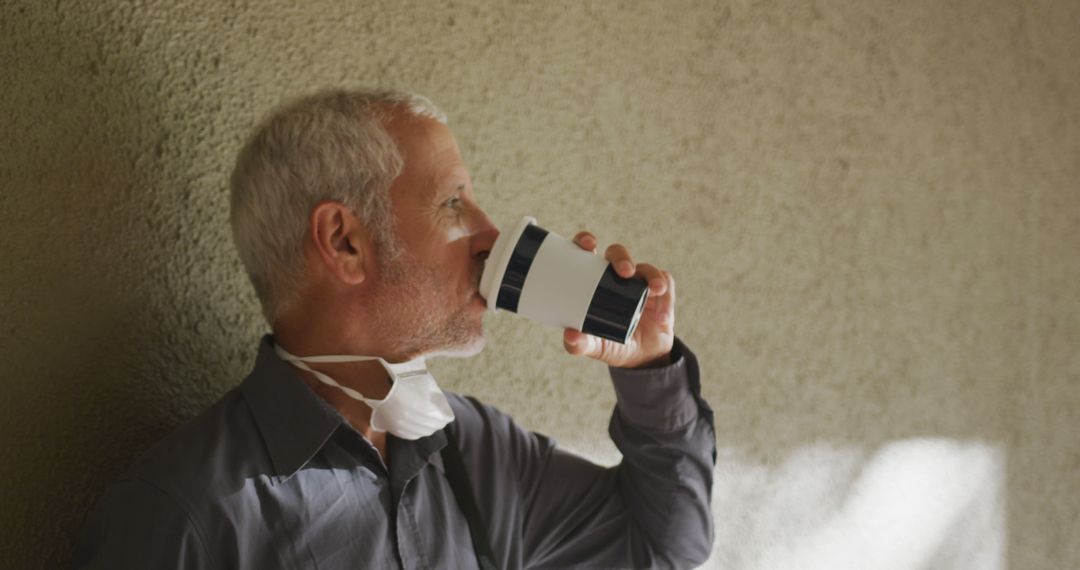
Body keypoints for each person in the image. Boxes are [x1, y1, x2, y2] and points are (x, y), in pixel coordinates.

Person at [73, 89, 716, 569]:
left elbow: (659, 550)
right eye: (453, 203)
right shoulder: (184, 515)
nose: (491, 236)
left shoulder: (472, 449)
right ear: (344, 242)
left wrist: (648, 367)